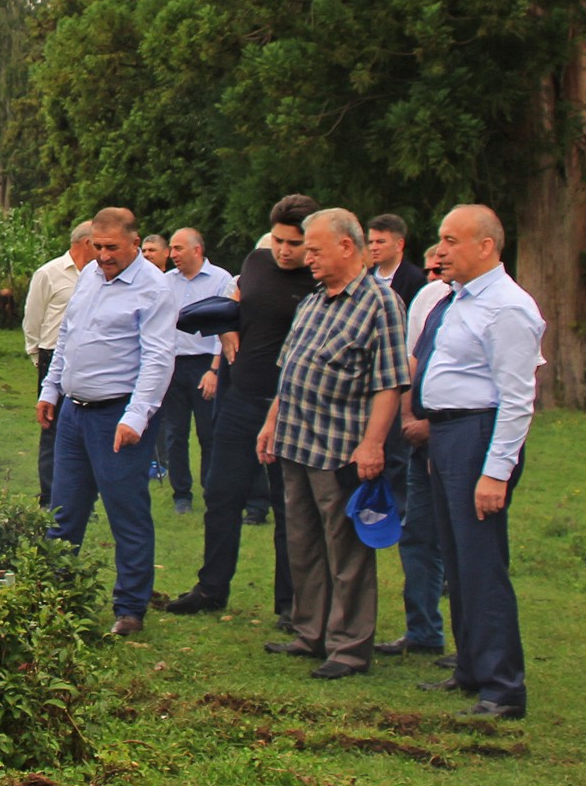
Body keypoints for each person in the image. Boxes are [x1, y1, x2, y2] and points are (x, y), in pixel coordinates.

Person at [257, 208, 409, 680]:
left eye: (315, 250)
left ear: (346, 246)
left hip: (341, 447)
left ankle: (349, 646)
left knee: (346, 550)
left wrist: (373, 444)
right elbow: (290, 370)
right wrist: (271, 423)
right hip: (296, 440)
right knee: (302, 542)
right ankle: (310, 631)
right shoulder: (313, 302)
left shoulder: (380, 304)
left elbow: (389, 383)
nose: (308, 259)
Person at [410, 205, 543, 720]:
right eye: (440, 239)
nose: (440, 251)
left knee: (481, 561)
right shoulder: (459, 300)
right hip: (447, 435)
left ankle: (503, 687)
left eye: (451, 240)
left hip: (478, 434)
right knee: (458, 559)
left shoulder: (507, 307)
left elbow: (517, 398)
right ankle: (470, 666)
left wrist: (495, 471)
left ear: (485, 246)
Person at [167, 194, 318, 621]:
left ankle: (290, 603)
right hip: (241, 397)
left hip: (291, 406)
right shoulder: (256, 262)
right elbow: (238, 299)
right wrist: (228, 326)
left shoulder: (319, 278)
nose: (284, 251)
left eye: (295, 244)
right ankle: (211, 587)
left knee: (289, 508)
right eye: (279, 241)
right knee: (221, 494)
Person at [38, 207, 179, 636]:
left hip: (117, 416)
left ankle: (130, 608)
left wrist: (136, 416)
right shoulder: (90, 277)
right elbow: (67, 337)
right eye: (97, 247)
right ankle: (53, 595)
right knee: (62, 510)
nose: (103, 255)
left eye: (112, 247)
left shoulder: (154, 289)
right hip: (73, 414)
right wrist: (50, 389)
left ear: (135, 242)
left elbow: (158, 358)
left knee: (126, 512)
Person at [376, 245, 450, 660]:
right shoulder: (431, 298)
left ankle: (475, 645)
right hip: (419, 433)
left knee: (463, 541)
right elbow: (411, 359)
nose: (437, 263)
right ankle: (423, 630)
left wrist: (436, 426)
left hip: (462, 435)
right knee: (417, 534)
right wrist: (406, 416)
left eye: (450, 246)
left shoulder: (505, 303)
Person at [156, 228, 233, 516]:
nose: (172, 254)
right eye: (172, 249)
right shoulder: (166, 282)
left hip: (205, 363)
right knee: (175, 432)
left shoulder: (220, 279)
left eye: (178, 248)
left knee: (208, 432)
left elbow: (225, 327)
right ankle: (181, 494)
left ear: (197, 250)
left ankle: (213, 490)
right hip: (174, 364)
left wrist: (214, 369)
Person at [23, 221, 96, 508]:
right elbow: (33, 319)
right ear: (87, 243)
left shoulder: (98, 276)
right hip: (53, 355)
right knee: (52, 427)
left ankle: (81, 498)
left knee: (85, 426)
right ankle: (50, 497)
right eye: (99, 243)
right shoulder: (49, 273)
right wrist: (37, 357)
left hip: (87, 358)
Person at [367, 214, 425, 310]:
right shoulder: (366, 276)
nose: (373, 248)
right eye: (370, 242)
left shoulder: (415, 279)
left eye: (380, 242)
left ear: (399, 245)